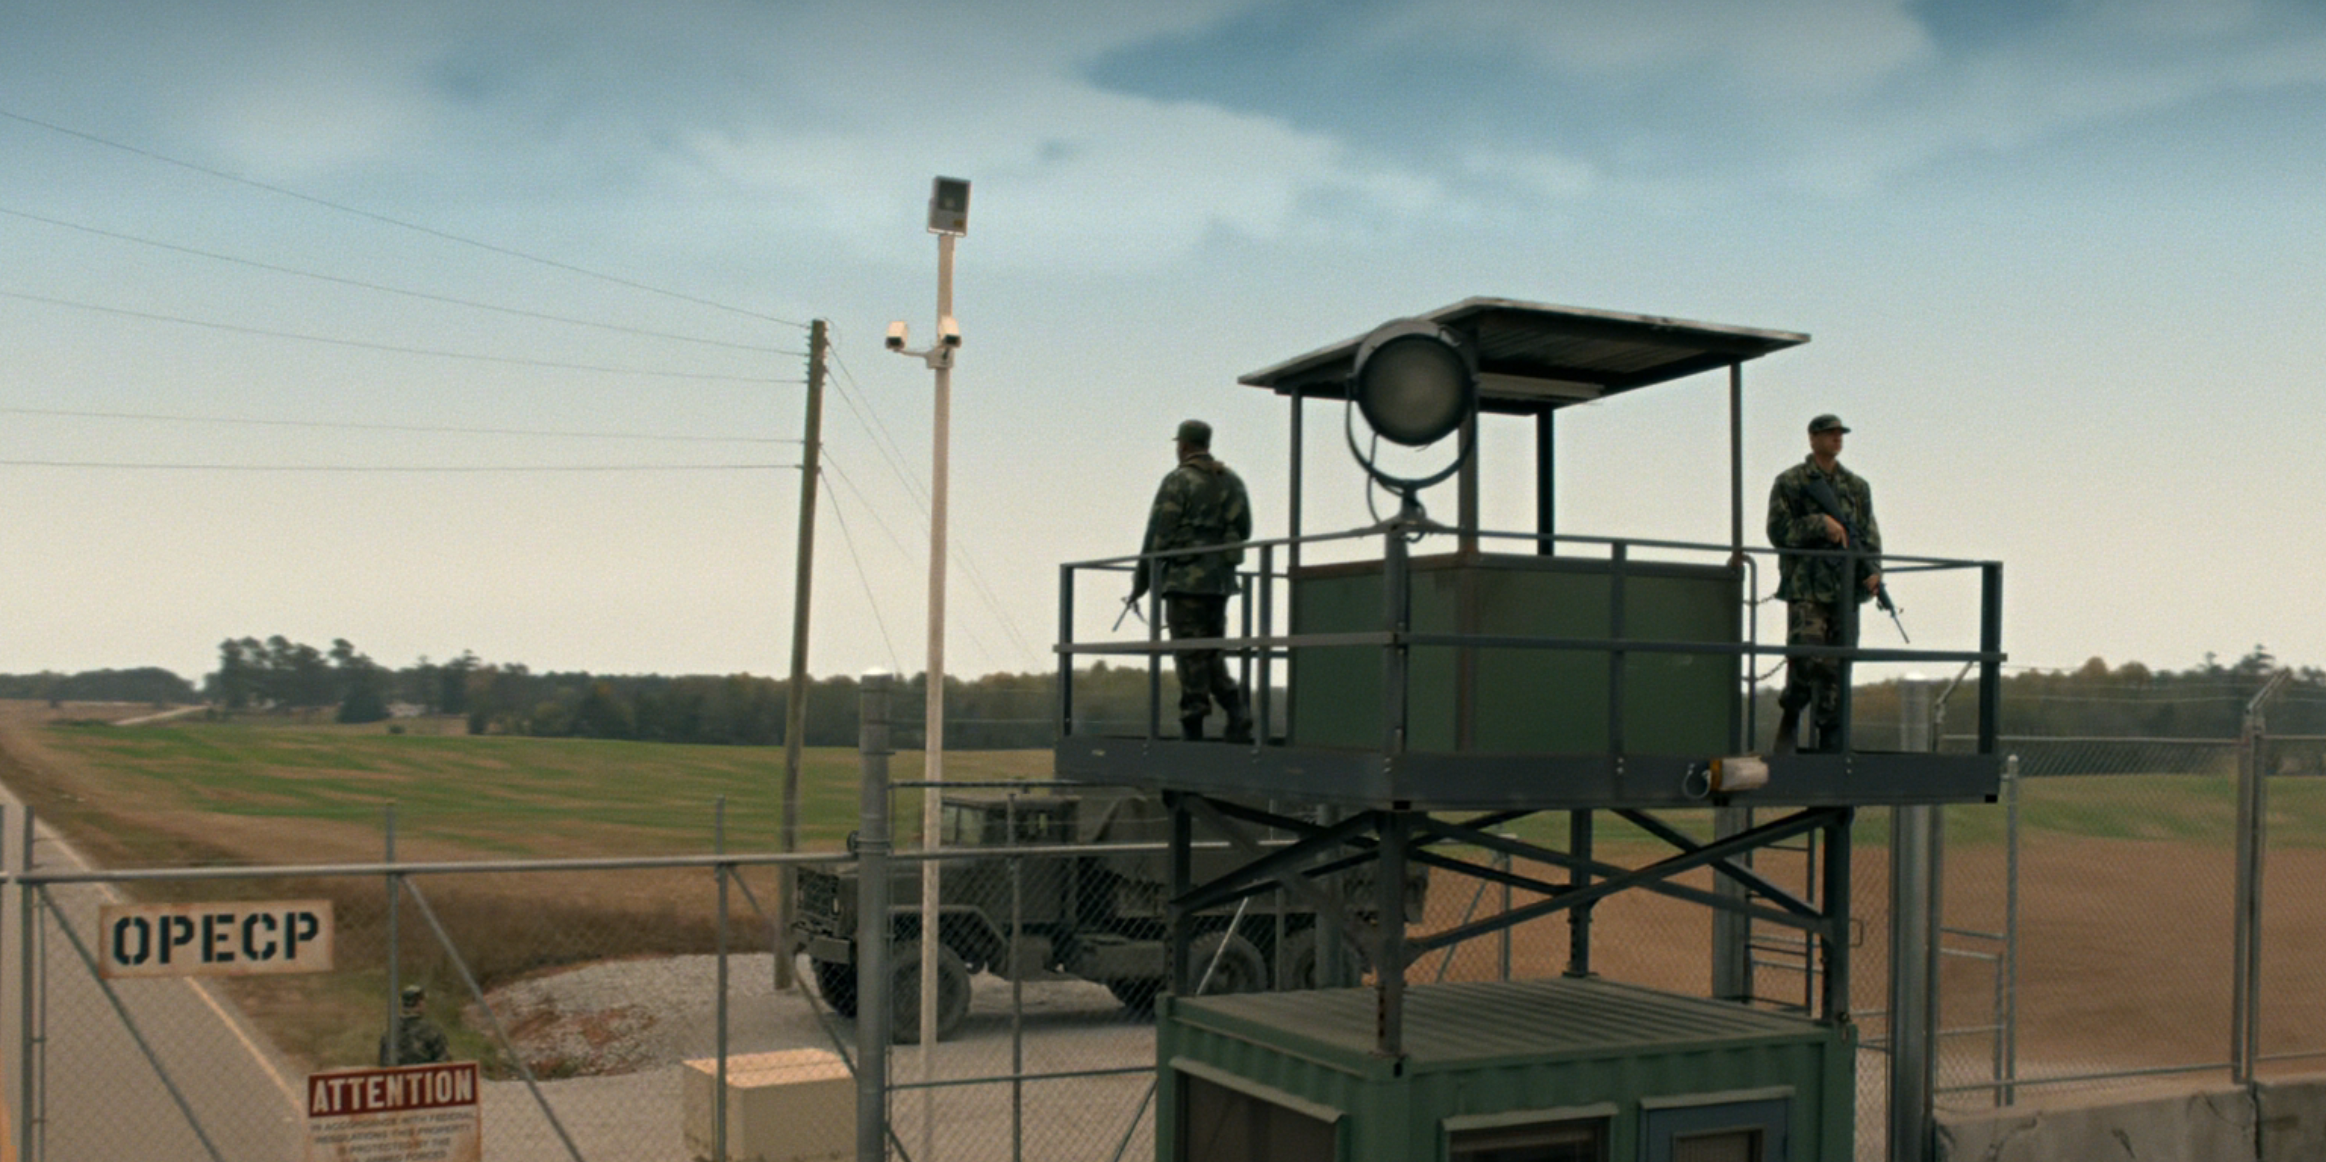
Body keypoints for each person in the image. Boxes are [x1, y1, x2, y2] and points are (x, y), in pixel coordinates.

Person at [1130, 419, 1254, 742]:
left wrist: (1140, 583)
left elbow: (1158, 535)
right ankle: (1237, 710)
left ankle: (1194, 724)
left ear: (1183, 445)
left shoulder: (1178, 481)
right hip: (1221, 582)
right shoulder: (1232, 481)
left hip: (1186, 582)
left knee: (1188, 654)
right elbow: (1244, 529)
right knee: (1211, 650)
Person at [1766, 414, 1882, 754]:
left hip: (1844, 588)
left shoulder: (1856, 487)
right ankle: (1792, 711)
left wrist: (1873, 570)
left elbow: (1868, 534)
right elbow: (1778, 532)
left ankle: (1831, 740)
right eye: (1830, 434)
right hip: (1807, 586)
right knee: (1806, 658)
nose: (1837, 439)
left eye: (1839, 434)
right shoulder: (1791, 482)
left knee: (1837, 667)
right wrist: (1819, 524)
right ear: (1812, 438)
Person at [379, 983, 451, 1065]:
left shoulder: (390, 1032)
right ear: (420, 1003)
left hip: (395, 1076)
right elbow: (444, 1063)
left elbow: (383, 1063)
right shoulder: (431, 1031)